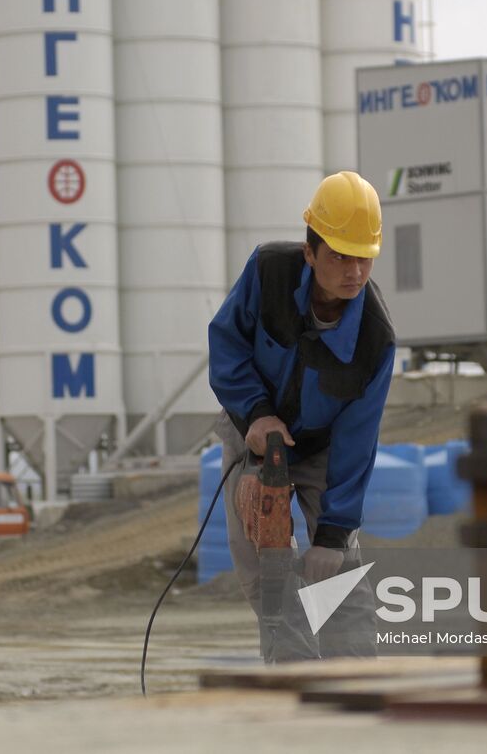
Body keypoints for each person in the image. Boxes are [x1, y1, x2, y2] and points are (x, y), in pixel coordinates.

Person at [207, 171, 395, 662]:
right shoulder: (269, 272)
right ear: (310, 252)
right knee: (259, 568)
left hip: (324, 447)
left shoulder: (375, 339)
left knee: (339, 573)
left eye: (363, 257)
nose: (353, 271)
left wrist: (332, 535)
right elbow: (227, 345)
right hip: (251, 432)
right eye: (339, 255)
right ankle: (294, 680)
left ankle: (355, 688)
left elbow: (358, 440)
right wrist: (256, 415)